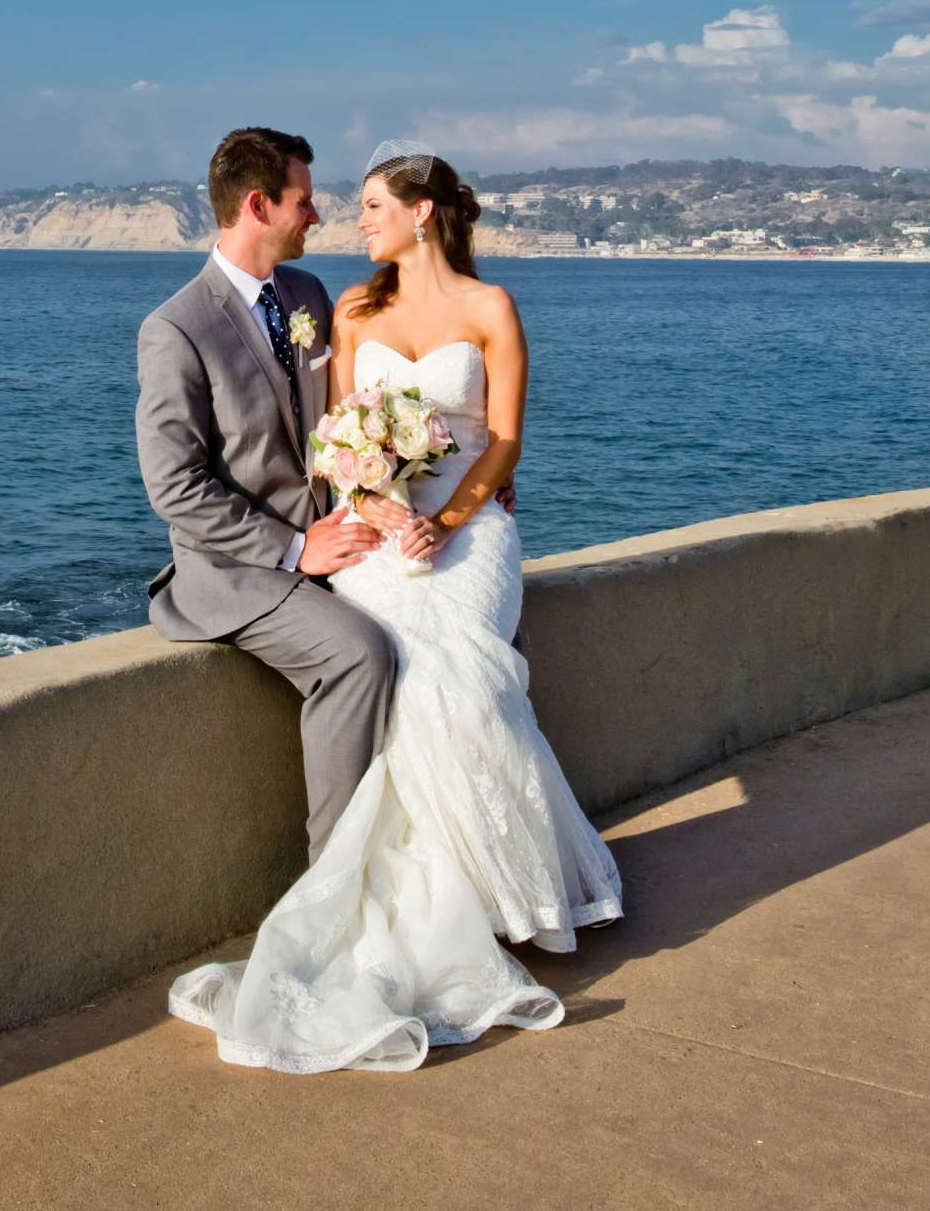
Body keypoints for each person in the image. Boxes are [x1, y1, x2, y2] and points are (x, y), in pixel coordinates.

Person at [168, 139, 623, 1074]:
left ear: (423, 212)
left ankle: (504, 899)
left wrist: (452, 517)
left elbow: (502, 441)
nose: (346, 217)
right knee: (398, 659)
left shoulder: (483, 306)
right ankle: (402, 905)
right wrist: (378, 506)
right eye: (323, 200)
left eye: (371, 204)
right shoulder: (346, 306)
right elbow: (339, 441)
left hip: (466, 523)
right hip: (372, 526)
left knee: (465, 678)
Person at [135, 126, 395, 859]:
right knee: (359, 653)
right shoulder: (176, 329)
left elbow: (355, 421)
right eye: (304, 201)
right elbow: (174, 486)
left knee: (450, 616)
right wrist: (295, 547)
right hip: (239, 575)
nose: (318, 216)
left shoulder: (309, 294)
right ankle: (335, 886)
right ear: (258, 204)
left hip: (334, 543)